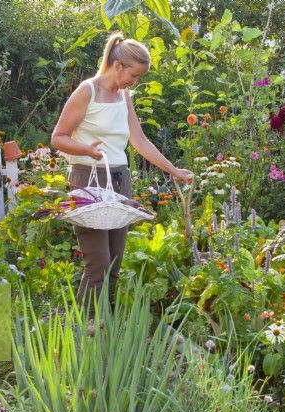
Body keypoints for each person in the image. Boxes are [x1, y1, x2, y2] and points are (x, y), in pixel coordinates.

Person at [51, 33, 194, 310]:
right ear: (118, 66)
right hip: (88, 180)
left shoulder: (124, 95)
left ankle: (104, 325)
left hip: (119, 180)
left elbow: (138, 140)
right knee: (99, 263)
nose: (135, 82)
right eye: (134, 75)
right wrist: (86, 150)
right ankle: (83, 328)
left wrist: (174, 170)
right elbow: (58, 137)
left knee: (115, 261)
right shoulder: (87, 91)